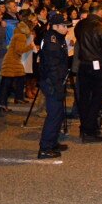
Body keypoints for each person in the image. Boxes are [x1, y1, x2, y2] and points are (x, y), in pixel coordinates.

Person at [74, 2, 102, 143]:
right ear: (99, 12)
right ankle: (89, 129)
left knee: (84, 98)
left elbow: (79, 41)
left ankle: (85, 127)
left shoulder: (80, 25)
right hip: (98, 66)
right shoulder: (101, 27)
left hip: (83, 65)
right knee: (96, 98)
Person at [37, 13, 71, 159]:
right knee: (54, 115)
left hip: (56, 80)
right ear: (55, 26)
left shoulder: (57, 38)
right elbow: (53, 67)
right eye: (64, 26)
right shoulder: (52, 41)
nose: (66, 28)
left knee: (58, 114)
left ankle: (52, 143)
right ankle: (45, 148)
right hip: (52, 82)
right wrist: (58, 86)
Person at [0, 20, 36, 112]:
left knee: (20, 78)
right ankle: (2, 104)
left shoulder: (18, 34)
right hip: (12, 61)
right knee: (7, 82)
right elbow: (19, 50)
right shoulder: (21, 36)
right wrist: (30, 47)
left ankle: (18, 98)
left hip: (13, 60)